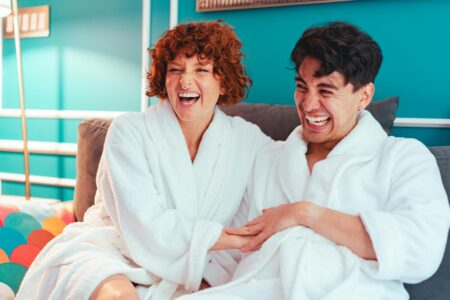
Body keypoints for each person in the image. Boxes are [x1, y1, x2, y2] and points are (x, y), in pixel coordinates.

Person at [180, 21, 450, 300]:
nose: (308, 104)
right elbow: (233, 251)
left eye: (325, 91)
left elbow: (420, 251)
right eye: (302, 87)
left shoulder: (404, 158)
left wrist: (304, 214)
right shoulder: (269, 159)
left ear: (364, 96)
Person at [16, 21, 272, 300]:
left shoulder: (247, 140)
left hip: (198, 262)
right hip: (115, 248)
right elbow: (144, 223)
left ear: (223, 81)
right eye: (175, 70)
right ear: (163, 77)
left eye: (201, 69)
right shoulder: (129, 131)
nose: (185, 81)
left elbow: (292, 170)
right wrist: (223, 238)